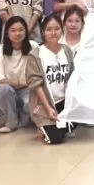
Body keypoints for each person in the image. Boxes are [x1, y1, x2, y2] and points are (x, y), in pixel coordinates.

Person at [28, 14, 76, 144]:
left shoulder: (67, 50)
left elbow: (72, 77)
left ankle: (60, 125)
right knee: (55, 138)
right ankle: (43, 125)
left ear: (62, 30)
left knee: (77, 119)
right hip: (45, 103)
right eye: (49, 29)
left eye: (57, 29)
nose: (53, 33)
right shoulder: (36, 55)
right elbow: (36, 85)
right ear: (43, 32)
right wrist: (48, 108)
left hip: (64, 102)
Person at [0, 16, 40, 134]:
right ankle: (11, 122)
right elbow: (0, 80)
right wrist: (19, 82)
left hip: (28, 89)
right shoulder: (0, 50)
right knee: (1, 90)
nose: (17, 34)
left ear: (26, 31)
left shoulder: (34, 47)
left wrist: (21, 82)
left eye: (21, 30)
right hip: (9, 89)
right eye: (13, 30)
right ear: (7, 33)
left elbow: (38, 75)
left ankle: (22, 119)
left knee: (30, 101)